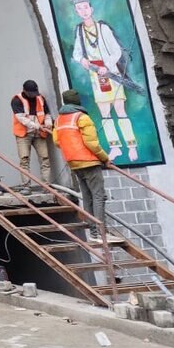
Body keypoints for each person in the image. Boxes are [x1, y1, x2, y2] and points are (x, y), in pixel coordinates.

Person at [69, 0, 138, 162]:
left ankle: (131, 146)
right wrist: (83, 60)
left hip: (111, 72)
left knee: (120, 110)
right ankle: (115, 147)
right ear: (76, 12)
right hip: (96, 76)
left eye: (85, 7)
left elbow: (116, 51)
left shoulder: (103, 28)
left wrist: (106, 66)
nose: (83, 11)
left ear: (91, 8)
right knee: (105, 112)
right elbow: (76, 53)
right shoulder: (79, 31)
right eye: (79, 8)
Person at [53, 89, 117, 244]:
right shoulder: (82, 117)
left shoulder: (59, 120)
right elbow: (92, 143)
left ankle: (94, 233)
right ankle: (102, 233)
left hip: (74, 163)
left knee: (87, 196)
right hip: (88, 161)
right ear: (77, 101)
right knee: (98, 196)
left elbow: (57, 142)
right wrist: (105, 158)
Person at [10, 79, 53, 186]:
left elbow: (46, 113)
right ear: (24, 90)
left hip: (39, 134)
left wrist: (48, 122)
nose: (33, 96)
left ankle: (46, 185)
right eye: (31, 94)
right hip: (24, 134)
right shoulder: (16, 100)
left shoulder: (40, 98)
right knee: (24, 159)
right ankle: (26, 185)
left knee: (45, 159)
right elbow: (22, 119)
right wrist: (37, 126)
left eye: (35, 93)